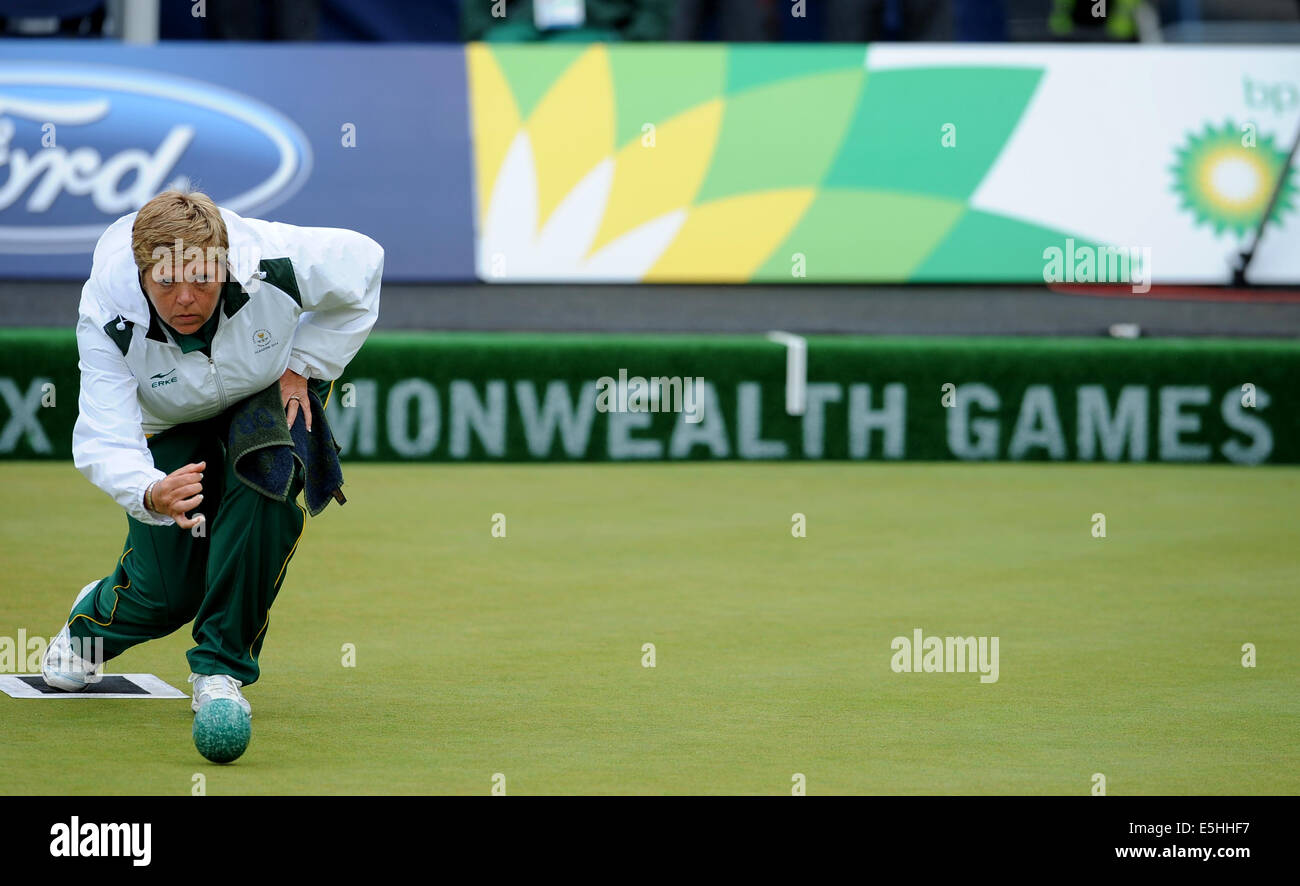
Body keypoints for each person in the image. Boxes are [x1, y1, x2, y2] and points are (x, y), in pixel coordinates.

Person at [41, 189, 383, 717]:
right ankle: (89, 626)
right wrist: (149, 491)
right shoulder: (108, 317)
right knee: (166, 597)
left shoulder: (274, 258)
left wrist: (305, 365)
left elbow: (365, 266)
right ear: (141, 274)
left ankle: (219, 670)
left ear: (225, 265)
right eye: (167, 282)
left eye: (202, 278)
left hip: (267, 389)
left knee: (267, 475)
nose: (185, 299)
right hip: (169, 420)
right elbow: (104, 435)